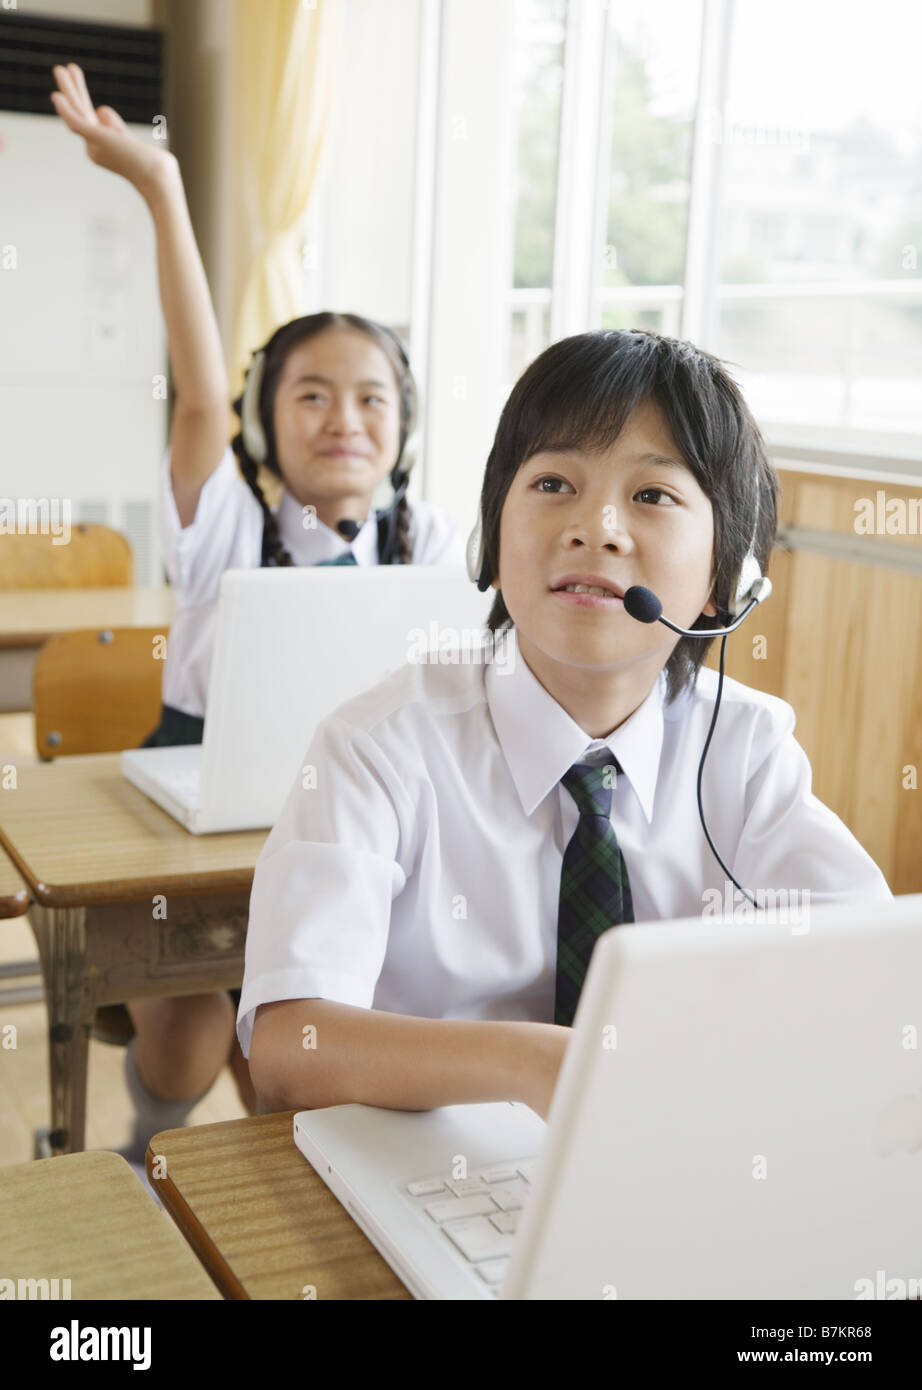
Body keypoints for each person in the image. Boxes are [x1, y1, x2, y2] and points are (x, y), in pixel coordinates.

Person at [238, 327, 892, 1122]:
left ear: (729, 578)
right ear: (492, 539)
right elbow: (286, 1048)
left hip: (657, 1154)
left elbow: (876, 975)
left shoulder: (745, 752)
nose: (598, 527)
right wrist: (531, 1063)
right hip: (417, 1169)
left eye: (652, 496)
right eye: (553, 484)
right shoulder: (378, 748)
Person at [49, 62, 466, 1162]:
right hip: (195, 802)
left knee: (326, 1045)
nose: (344, 418)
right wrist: (160, 187)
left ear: (402, 425)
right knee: (181, 1057)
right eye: (311, 394)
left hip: (351, 813)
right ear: (264, 422)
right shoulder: (229, 522)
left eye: (371, 396)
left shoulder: (423, 540)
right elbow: (194, 389)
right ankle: (152, 1141)